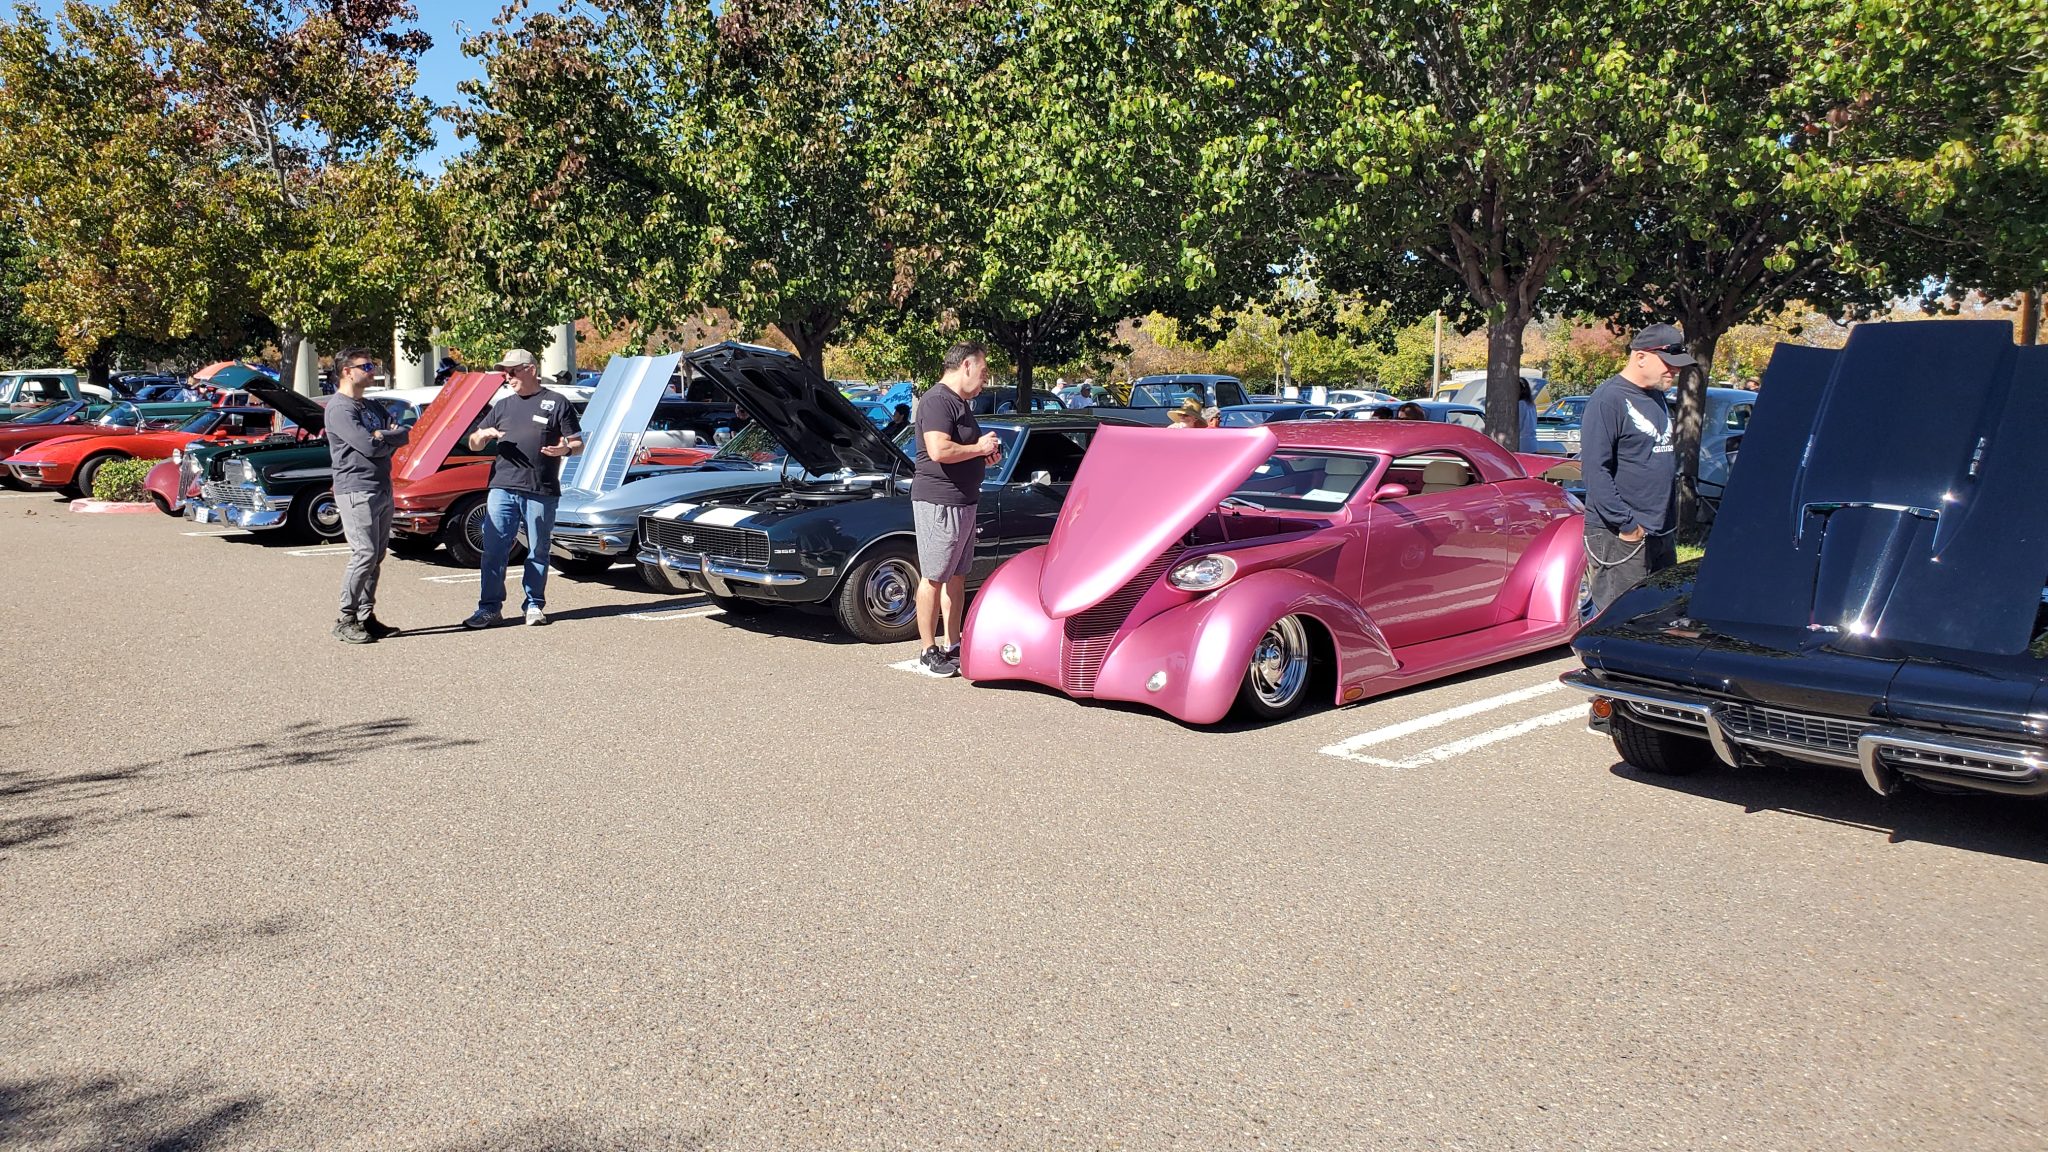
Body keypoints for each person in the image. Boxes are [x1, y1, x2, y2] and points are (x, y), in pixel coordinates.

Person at [462, 349, 584, 629]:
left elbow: (578, 444)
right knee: (493, 550)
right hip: (502, 487)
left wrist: (564, 449)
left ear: (530, 369)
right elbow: (474, 442)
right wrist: (482, 435)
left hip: (540, 489)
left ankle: (534, 605)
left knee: (537, 550)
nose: (508, 376)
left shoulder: (556, 402)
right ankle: (489, 609)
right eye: (505, 372)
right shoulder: (503, 406)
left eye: (513, 371)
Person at [1581, 322, 1691, 615]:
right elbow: (1595, 472)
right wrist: (1628, 526)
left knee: (1661, 616)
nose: (1675, 370)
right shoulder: (1608, 400)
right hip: (1620, 535)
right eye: (1668, 363)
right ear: (1640, 356)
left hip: (1659, 531)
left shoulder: (1656, 396)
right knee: (1619, 621)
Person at [911, 342, 1001, 677]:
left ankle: (953, 644)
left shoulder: (961, 404)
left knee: (957, 577)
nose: (984, 379)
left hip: (964, 500)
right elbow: (938, 450)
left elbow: (962, 448)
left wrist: (984, 454)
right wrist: (977, 446)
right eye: (983, 371)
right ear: (966, 365)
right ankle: (927, 649)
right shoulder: (938, 400)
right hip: (939, 500)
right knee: (933, 577)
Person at [325, 347, 410, 644]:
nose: (372, 371)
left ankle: (365, 615)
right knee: (364, 554)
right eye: (367, 366)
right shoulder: (339, 409)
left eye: (372, 365)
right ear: (347, 371)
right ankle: (345, 618)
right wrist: (383, 439)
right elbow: (368, 446)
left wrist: (383, 436)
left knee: (376, 557)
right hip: (355, 489)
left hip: (381, 487)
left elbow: (403, 433)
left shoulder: (371, 407)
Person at [1518, 378, 1540, 453]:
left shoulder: (1521, 404)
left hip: (1523, 444)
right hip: (1533, 443)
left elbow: (1519, 425)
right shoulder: (1531, 404)